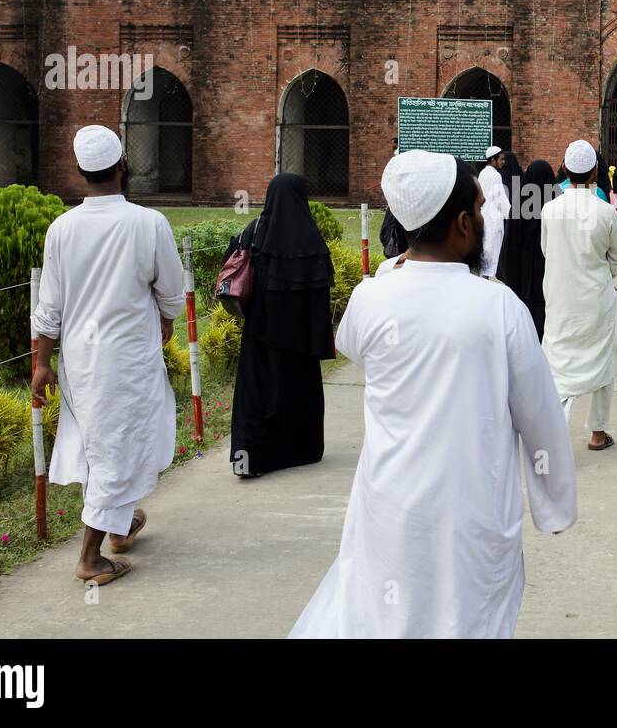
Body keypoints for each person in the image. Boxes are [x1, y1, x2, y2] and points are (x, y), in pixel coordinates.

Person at [289, 151, 576, 638]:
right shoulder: (499, 307)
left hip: (389, 506)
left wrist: (393, 273)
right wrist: (554, 504)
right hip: (471, 512)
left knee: (384, 618)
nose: (487, 219)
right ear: (464, 224)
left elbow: (350, 342)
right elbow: (540, 418)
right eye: (482, 209)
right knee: (466, 620)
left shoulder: (371, 298)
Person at [30, 125, 185, 586]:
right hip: (128, 359)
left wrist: (42, 362)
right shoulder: (148, 223)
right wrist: (168, 320)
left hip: (80, 360)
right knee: (117, 447)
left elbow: (50, 308)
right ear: (122, 168)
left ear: (80, 172)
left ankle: (121, 527)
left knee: (103, 443)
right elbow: (171, 292)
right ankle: (90, 558)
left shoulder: (62, 228)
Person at [226, 173, 335, 478]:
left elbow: (233, 269)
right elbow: (322, 294)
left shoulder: (254, 231)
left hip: (261, 334)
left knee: (256, 395)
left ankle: (249, 460)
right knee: (298, 393)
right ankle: (301, 450)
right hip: (301, 341)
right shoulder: (313, 240)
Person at [541, 140, 617, 451]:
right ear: (594, 172)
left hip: (560, 297)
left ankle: (555, 433)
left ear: (565, 170)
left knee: (558, 364)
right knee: (601, 363)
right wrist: (603, 275)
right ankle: (598, 433)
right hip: (596, 300)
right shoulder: (605, 211)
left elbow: (546, 250)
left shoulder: (550, 209)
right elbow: (616, 256)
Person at [497, 158, 556, 340]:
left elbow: (511, 241)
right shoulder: (557, 204)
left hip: (523, 270)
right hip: (549, 271)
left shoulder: (520, 202)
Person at [478, 145, 510, 278]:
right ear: (493, 160)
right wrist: (510, 215)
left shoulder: (482, 173)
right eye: (501, 159)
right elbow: (500, 198)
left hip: (484, 215)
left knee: (486, 247)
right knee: (493, 250)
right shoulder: (496, 175)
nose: (503, 162)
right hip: (494, 218)